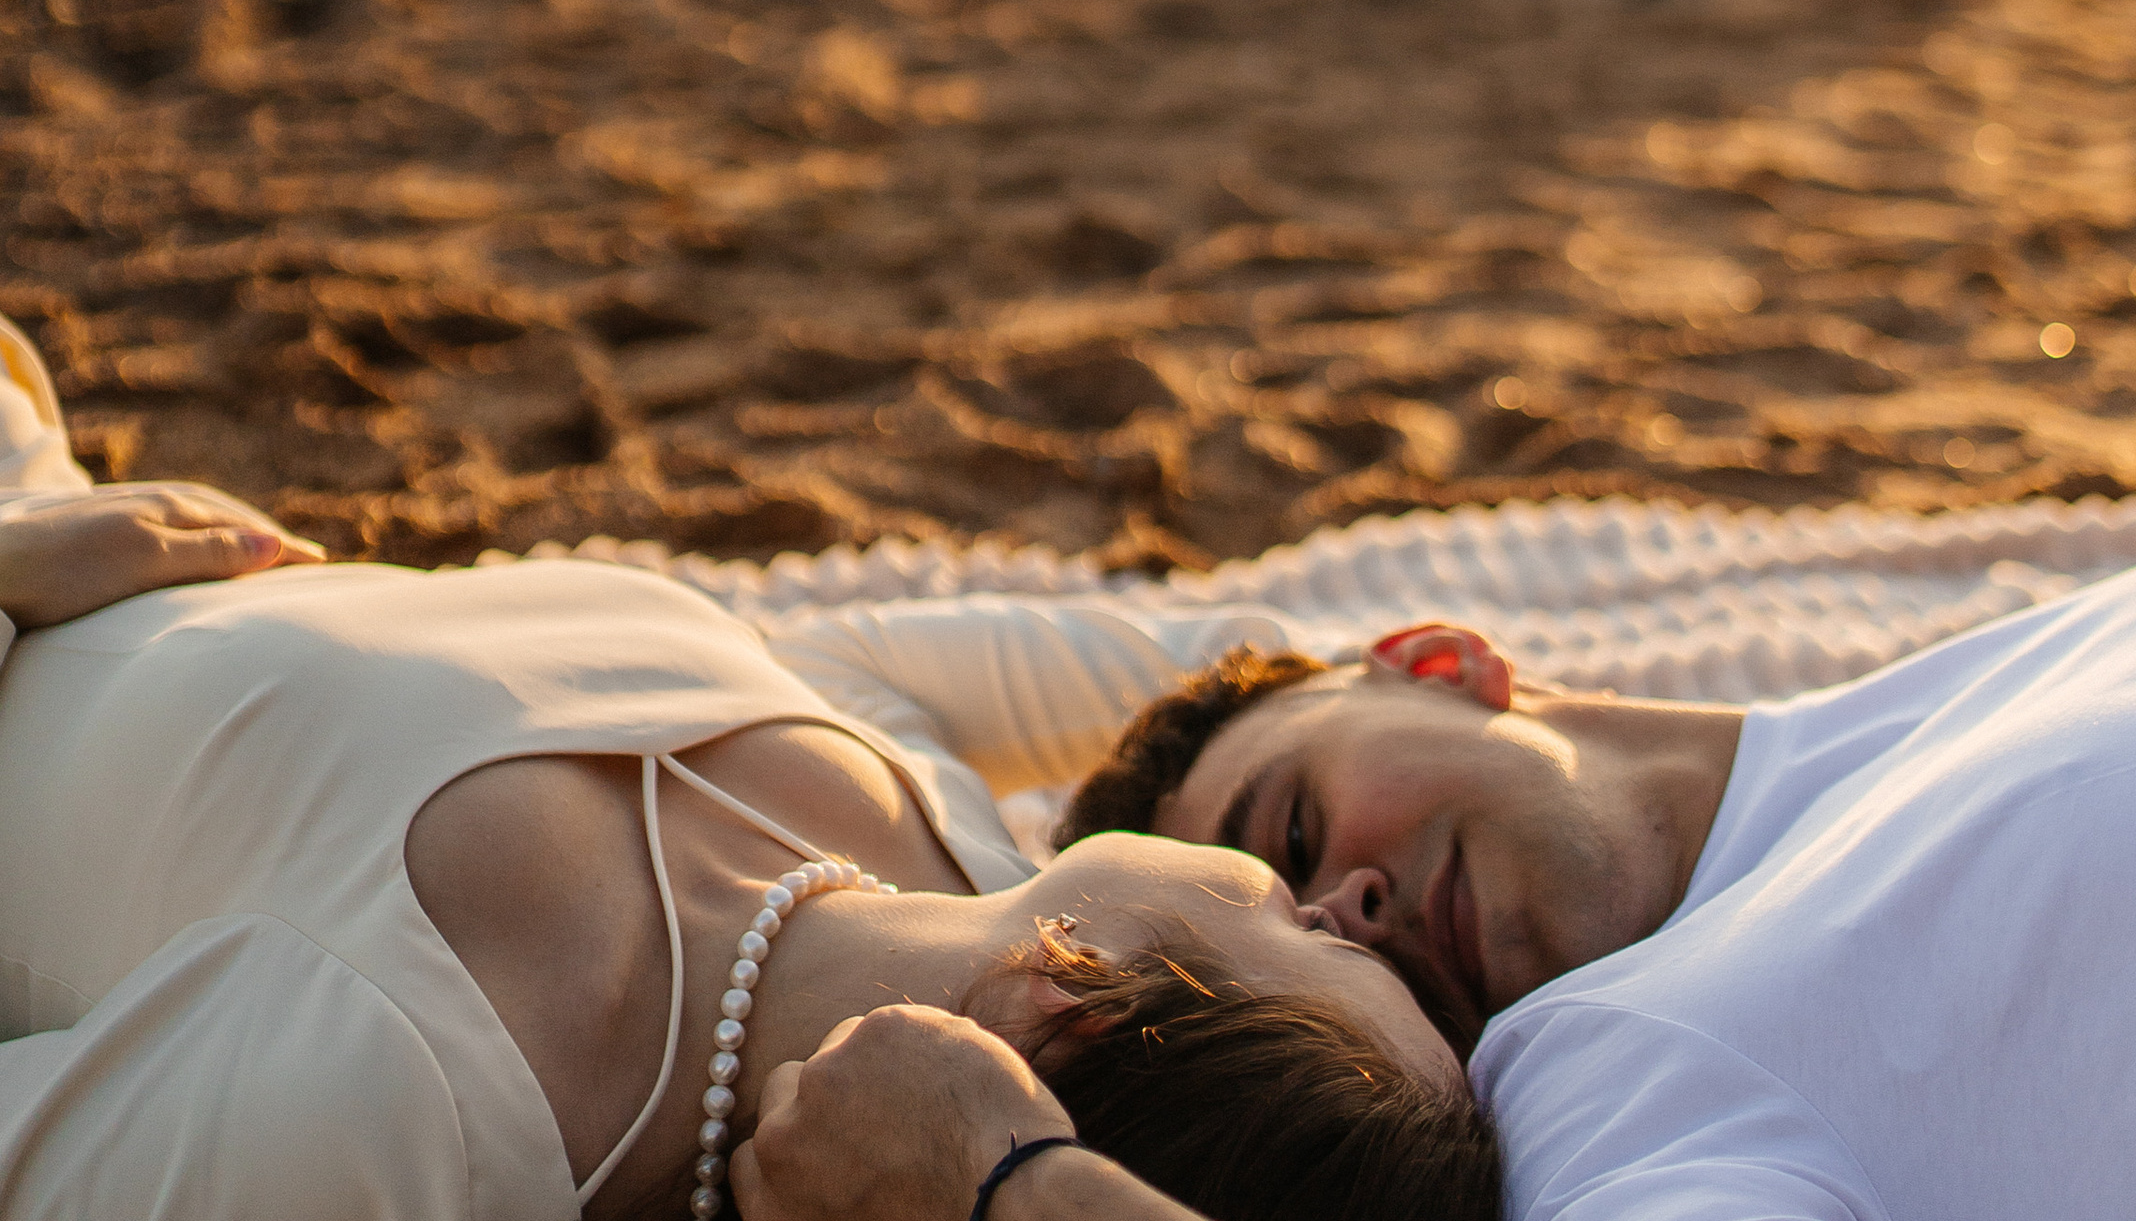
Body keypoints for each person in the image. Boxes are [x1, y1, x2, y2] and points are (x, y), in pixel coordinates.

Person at [0, 316, 1497, 1221]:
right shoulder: (933, 835)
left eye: (1310, 940)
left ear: (1072, 1000)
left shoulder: (392, 1112)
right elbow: (1247, 657)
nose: (1333, 906)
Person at [1061, 544, 2136, 1220]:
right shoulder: (1615, 1085)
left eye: (1296, 834)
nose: (1349, 914)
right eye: (1296, 944)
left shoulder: (2029, 651)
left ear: (1439, 662)